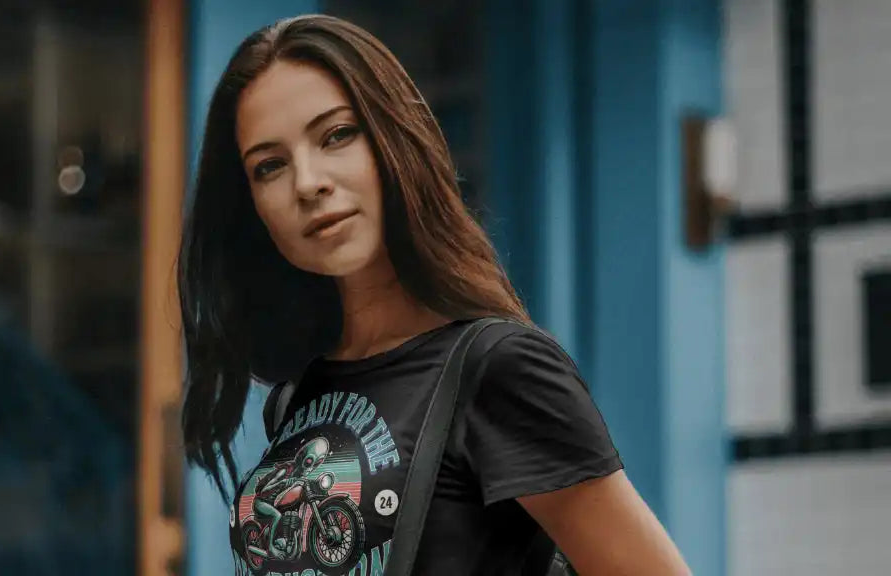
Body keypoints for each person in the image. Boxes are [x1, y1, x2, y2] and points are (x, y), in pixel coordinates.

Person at [179, 13, 691, 575]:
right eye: (269, 165)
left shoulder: (500, 371)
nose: (307, 182)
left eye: (337, 135)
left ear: (394, 141)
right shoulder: (297, 396)